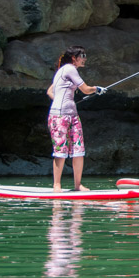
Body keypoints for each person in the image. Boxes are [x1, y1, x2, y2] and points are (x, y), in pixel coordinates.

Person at [46, 46, 105, 192]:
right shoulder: (69, 69)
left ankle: (78, 185)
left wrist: (64, 101)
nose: (85, 59)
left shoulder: (63, 71)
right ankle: (57, 185)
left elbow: (50, 91)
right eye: (82, 56)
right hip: (59, 116)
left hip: (73, 115)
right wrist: (96, 89)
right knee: (60, 150)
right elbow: (85, 89)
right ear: (74, 58)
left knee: (78, 150)